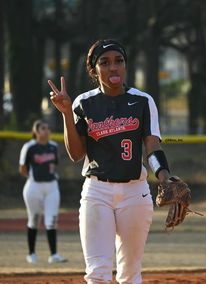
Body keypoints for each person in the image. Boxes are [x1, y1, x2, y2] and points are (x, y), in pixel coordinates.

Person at [48, 39, 170, 283]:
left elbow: (152, 146)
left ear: (125, 66)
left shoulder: (143, 101)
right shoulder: (83, 103)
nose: (113, 67)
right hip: (97, 191)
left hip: (136, 192)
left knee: (130, 273)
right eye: (105, 62)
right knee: (98, 273)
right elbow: (76, 154)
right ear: (94, 70)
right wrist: (66, 115)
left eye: (119, 61)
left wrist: (165, 177)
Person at [19, 119, 68, 264]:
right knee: (34, 219)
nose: (46, 131)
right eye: (43, 129)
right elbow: (22, 169)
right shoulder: (29, 147)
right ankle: (31, 253)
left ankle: (53, 255)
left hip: (52, 186)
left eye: (48, 128)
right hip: (34, 187)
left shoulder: (53, 146)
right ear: (36, 131)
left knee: (51, 221)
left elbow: (55, 164)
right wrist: (34, 176)